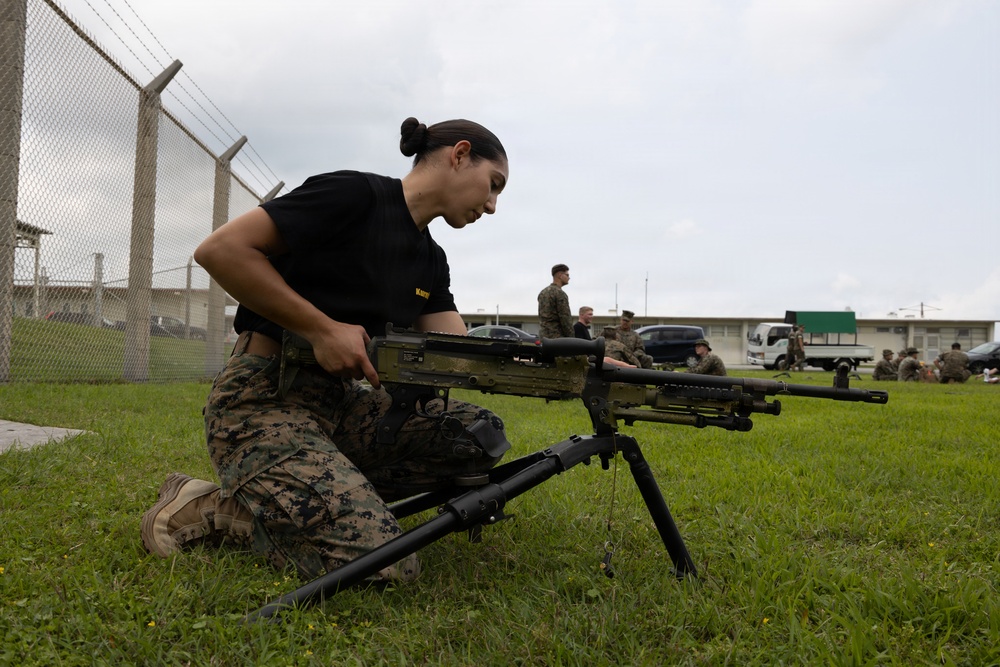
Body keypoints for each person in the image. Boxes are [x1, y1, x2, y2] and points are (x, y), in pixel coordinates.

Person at [141, 117, 512, 584]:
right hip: (262, 400)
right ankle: (211, 506)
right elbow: (221, 250)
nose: (493, 205)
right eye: (493, 185)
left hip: (341, 406)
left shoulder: (431, 261)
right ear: (459, 155)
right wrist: (320, 329)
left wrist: (578, 361)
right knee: (389, 566)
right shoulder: (354, 196)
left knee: (477, 433)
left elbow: (460, 352)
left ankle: (329, 495)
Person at [537, 264, 573, 339]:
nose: (569, 278)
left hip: (544, 337)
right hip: (557, 338)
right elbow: (565, 319)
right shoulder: (560, 293)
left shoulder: (543, 292)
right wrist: (571, 337)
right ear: (560, 275)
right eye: (567, 275)